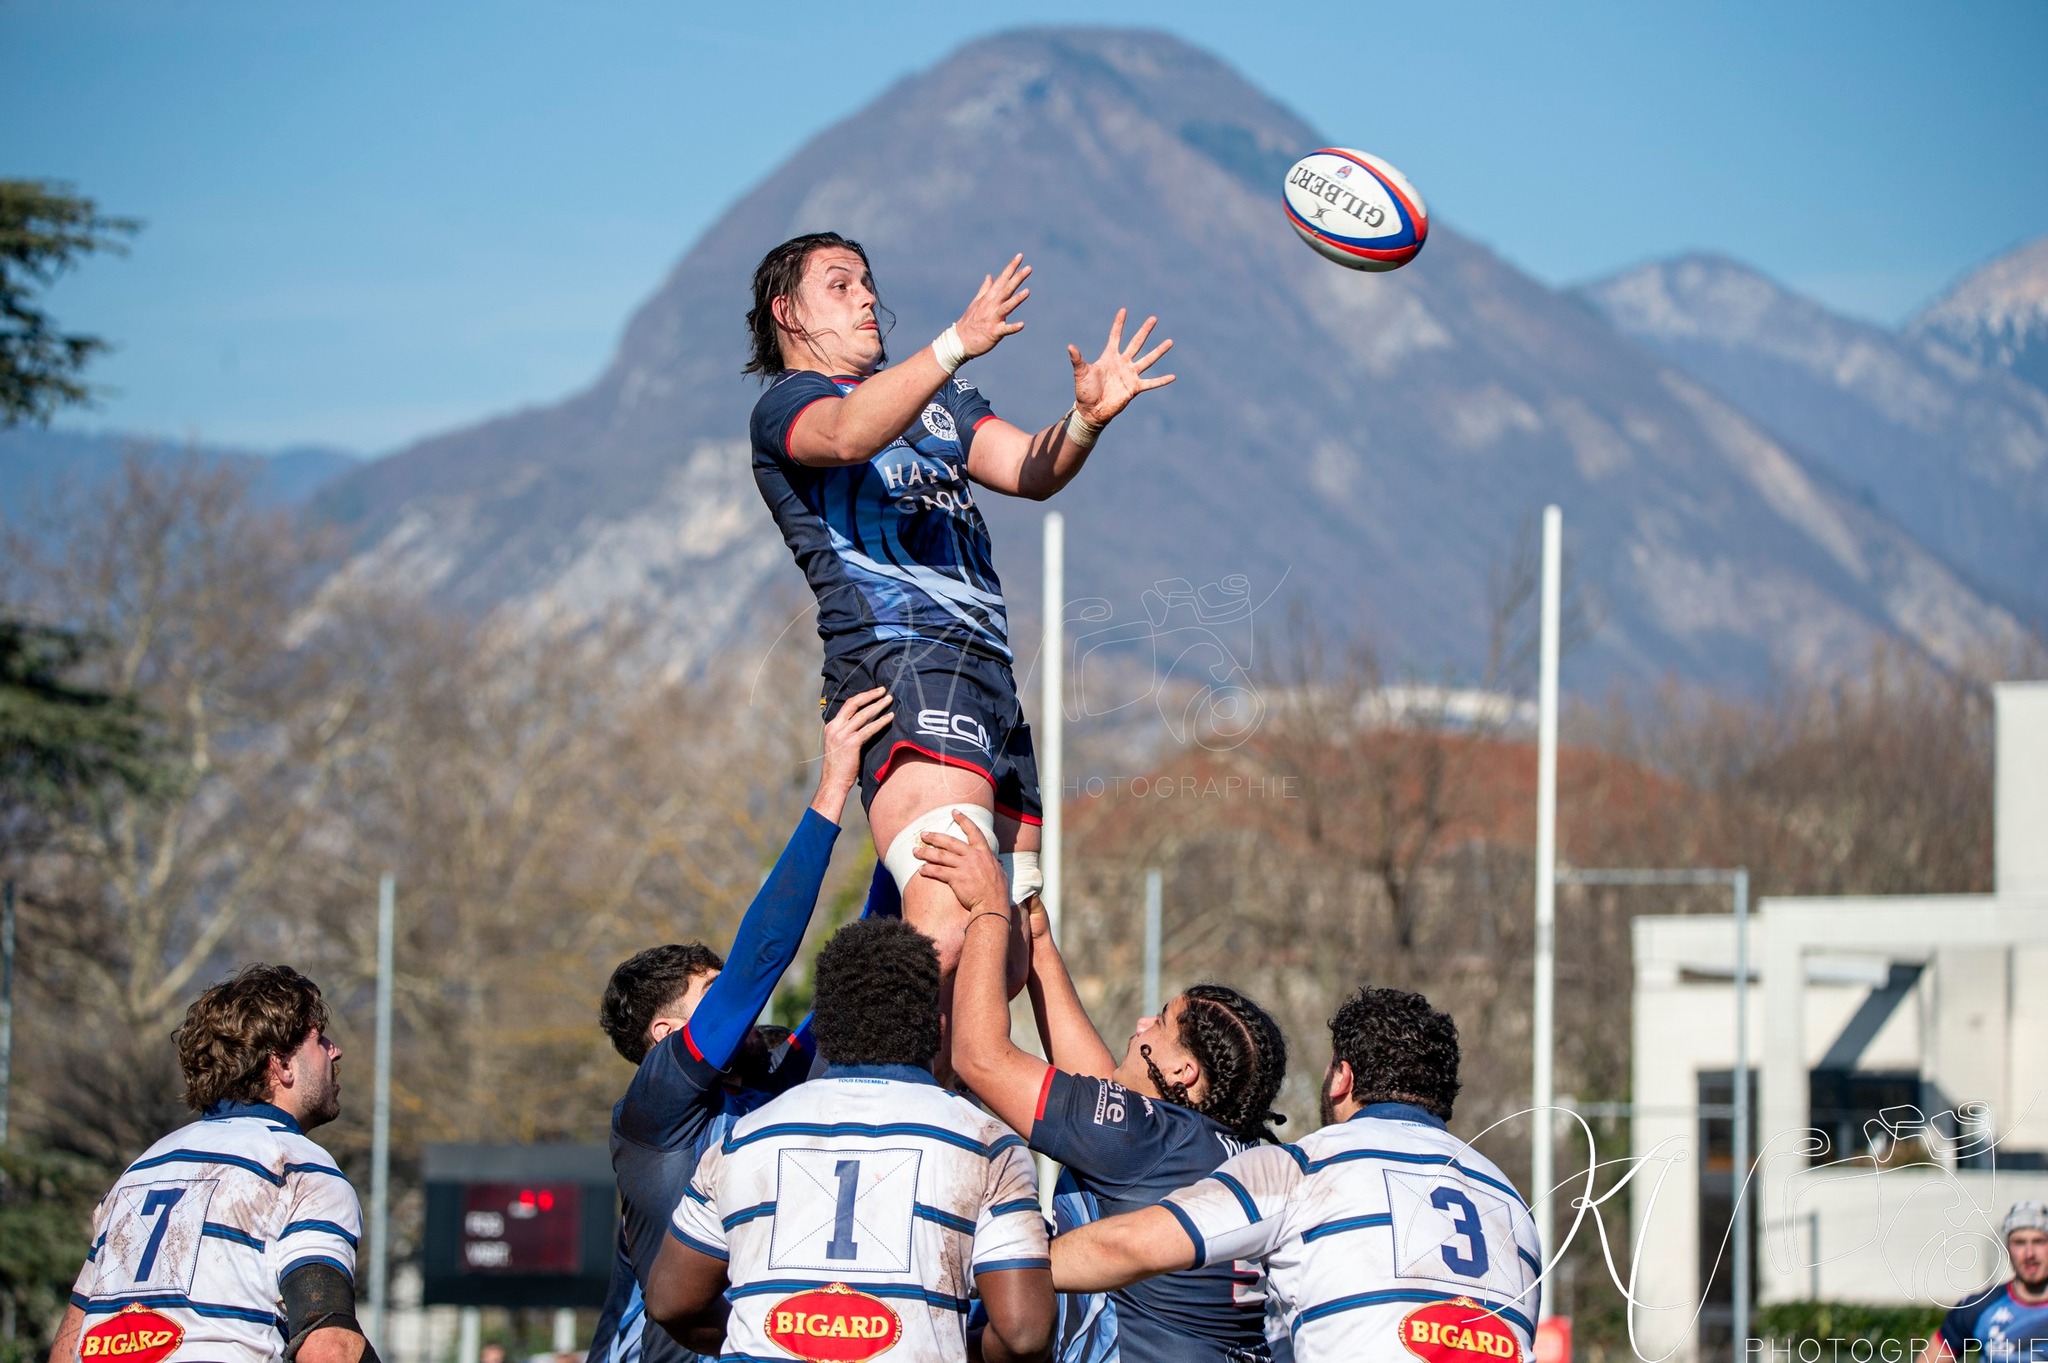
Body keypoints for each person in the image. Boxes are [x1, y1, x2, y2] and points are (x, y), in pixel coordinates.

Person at [743, 231, 1176, 991]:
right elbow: (846, 438)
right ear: (789, 313)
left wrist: (1085, 422)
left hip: (989, 681)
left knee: (1002, 962)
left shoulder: (934, 397)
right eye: (841, 286)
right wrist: (954, 342)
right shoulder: (790, 404)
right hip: (904, 668)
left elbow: (1025, 468)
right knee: (944, 930)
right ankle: (870, 1098)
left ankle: (941, 1102)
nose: (868, 296)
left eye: (869, 282)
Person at [584, 688, 895, 1363]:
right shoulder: (654, 1110)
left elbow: (869, 959)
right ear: (666, 1036)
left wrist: (898, 826)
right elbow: (760, 961)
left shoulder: (773, 1079)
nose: (742, 1007)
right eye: (712, 992)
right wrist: (834, 786)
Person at [919, 814, 1289, 1363]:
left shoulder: (1148, 1140)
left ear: (1185, 1074)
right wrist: (1037, 940)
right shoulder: (1230, 1151)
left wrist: (989, 911)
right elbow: (1098, 1093)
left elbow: (979, 1058)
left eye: (1161, 1024)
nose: (1142, 1023)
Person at [1048, 987, 1542, 1363]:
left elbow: (1129, 1246)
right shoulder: (1513, 1205)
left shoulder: (1311, 1165)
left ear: (1343, 1078)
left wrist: (1002, 1268)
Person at [645, 918, 1056, 1363]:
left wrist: (769, 1334)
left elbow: (669, 1301)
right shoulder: (986, 1142)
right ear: (938, 1026)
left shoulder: (743, 1138)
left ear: (828, 1027)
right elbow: (1023, 1334)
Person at [46, 966, 373, 1363]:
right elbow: (327, 1345)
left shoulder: (141, 1171)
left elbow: (68, 1347)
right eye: (318, 1039)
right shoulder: (297, 1168)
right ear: (281, 1065)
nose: (334, 1050)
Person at [1920, 1201, 2048, 1363]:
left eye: (2039, 1241)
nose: (2029, 1253)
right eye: (2019, 1242)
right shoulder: (1980, 1306)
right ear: (2008, 1247)